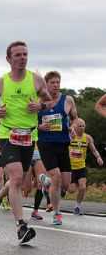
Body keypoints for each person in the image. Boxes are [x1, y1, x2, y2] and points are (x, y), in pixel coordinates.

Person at [0, 40, 51, 244]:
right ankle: (21, 226)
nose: (22, 58)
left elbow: (48, 102)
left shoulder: (37, 80)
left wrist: (39, 106)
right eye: (18, 55)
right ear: (9, 59)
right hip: (7, 135)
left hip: (29, 136)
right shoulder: (0, 82)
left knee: (18, 180)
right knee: (17, 176)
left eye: (25, 54)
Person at [37, 71, 77, 225]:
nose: (55, 85)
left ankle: (45, 181)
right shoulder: (38, 101)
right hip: (46, 144)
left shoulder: (68, 100)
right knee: (57, 177)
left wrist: (72, 127)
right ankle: (56, 213)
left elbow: (75, 118)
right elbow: (29, 123)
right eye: (52, 82)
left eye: (58, 82)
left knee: (66, 185)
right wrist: (40, 126)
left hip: (63, 144)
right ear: (46, 84)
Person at [68, 118, 103, 214]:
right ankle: (60, 188)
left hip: (81, 167)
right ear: (75, 126)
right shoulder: (70, 136)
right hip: (70, 167)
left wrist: (98, 157)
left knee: (82, 187)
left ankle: (77, 207)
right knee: (71, 190)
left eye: (83, 126)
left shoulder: (87, 138)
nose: (82, 128)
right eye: (80, 126)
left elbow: (94, 150)